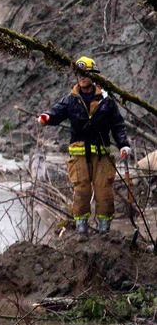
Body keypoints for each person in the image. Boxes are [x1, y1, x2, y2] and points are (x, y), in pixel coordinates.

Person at [39, 56, 131, 239]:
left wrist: (124, 144)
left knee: (104, 191)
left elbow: (117, 124)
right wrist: (46, 117)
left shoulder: (106, 99)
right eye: (79, 74)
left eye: (85, 74)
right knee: (81, 191)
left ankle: (104, 230)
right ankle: (82, 230)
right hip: (79, 155)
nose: (81, 77)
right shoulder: (71, 99)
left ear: (94, 75)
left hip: (102, 155)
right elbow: (56, 112)